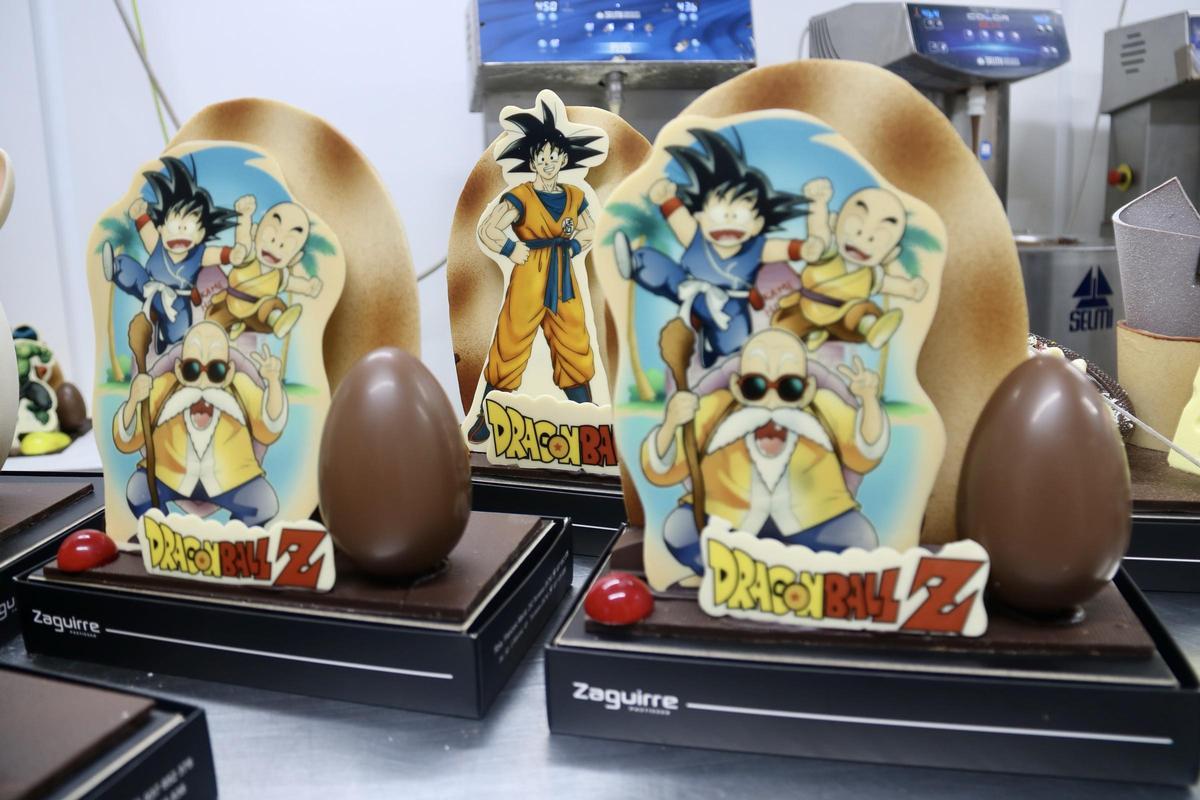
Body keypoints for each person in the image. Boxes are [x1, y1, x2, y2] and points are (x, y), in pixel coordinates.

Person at [642, 328, 886, 575]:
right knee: (679, 529)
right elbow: (664, 470)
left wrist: (868, 401)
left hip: (815, 520)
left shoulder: (825, 408)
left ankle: (798, 578)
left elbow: (864, 454)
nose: (771, 402)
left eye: (789, 387)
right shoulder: (713, 409)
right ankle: (733, 576)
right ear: (737, 386)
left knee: (860, 539)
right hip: (725, 519)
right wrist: (671, 424)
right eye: (755, 386)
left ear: (808, 388)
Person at [612, 128, 819, 368]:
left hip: (729, 303)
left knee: (733, 339)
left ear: (757, 225)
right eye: (719, 213)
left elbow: (782, 248)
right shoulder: (695, 235)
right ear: (700, 217)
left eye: (739, 215)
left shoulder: (757, 247)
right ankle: (634, 262)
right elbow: (678, 219)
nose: (728, 219)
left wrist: (804, 249)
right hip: (686, 285)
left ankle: (713, 345)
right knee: (658, 266)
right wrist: (667, 199)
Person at [467, 97, 606, 443]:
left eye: (553, 157)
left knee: (573, 337)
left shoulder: (575, 195)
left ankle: (586, 414)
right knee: (511, 338)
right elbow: (489, 229)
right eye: (541, 158)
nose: (547, 163)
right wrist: (511, 249)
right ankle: (489, 411)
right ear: (532, 162)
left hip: (563, 273)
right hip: (530, 270)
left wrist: (575, 246)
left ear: (563, 159)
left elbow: (591, 229)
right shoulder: (522, 196)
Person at [114, 321, 286, 526]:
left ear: (229, 372)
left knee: (265, 502)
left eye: (215, 371)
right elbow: (128, 441)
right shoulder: (163, 388)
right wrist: (133, 400)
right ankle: (164, 534)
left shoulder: (241, 388)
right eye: (192, 369)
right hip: (170, 475)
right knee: (138, 490)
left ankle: (233, 539)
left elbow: (268, 429)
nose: (203, 382)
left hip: (230, 478)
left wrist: (273, 383)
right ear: (179, 369)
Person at [101, 157, 242, 355]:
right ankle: (115, 267)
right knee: (129, 269)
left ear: (200, 235)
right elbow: (146, 230)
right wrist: (140, 215)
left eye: (189, 227)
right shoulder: (157, 244)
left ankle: (164, 336)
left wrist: (231, 254)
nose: (181, 230)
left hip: (177, 300)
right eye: (175, 225)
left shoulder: (198, 254)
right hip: (149, 285)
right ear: (161, 229)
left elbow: (215, 254)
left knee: (179, 331)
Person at [773, 186, 928, 350]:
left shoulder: (871, 274)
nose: (863, 238)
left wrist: (908, 289)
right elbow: (819, 233)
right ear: (835, 223)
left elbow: (886, 284)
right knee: (783, 325)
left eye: (878, 238)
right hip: (809, 307)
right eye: (855, 227)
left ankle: (855, 329)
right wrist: (818, 203)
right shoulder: (829, 251)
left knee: (864, 314)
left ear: (890, 254)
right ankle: (816, 333)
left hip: (846, 317)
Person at [206, 197, 323, 339]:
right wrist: (244, 217)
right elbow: (243, 242)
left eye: (286, 245)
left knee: (272, 306)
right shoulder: (249, 256)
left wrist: (307, 287)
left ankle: (275, 321)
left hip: (259, 314)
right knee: (213, 319)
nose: (276, 245)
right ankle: (237, 326)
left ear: (294, 258)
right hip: (232, 303)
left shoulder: (280, 275)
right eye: (270, 236)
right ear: (255, 232)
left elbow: (291, 283)